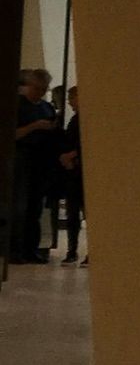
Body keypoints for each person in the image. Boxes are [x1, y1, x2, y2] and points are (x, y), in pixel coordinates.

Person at [13, 69, 57, 263]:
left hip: (41, 160)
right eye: (37, 88)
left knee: (35, 207)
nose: (40, 92)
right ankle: (15, 250)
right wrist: (34, 126)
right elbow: (12, 134)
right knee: (19, 206)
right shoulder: (18, 106)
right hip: (21, 157)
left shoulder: (47, 108)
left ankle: (31, 249)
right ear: (28, 86)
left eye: (44, 89)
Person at [57, 85, 84, 265]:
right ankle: (73, 250)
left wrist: (69, 155)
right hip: (74, 170)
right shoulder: (76, 120)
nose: (69, 102)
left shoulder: (79, 120)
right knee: (74, 212)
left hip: (77, 170)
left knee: (74, 212)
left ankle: (72, 250)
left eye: (71, 98)